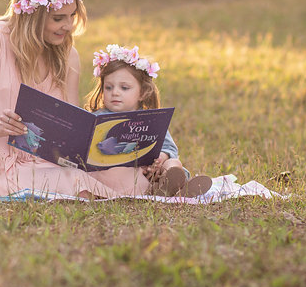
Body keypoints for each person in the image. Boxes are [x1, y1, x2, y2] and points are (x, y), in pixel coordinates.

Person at [0, 0, 150, 198]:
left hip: (53, 165)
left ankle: (164, 177)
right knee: (78, 182)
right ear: (33, 16)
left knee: (131, 179)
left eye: (72, 16)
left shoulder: (67, 55)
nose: (68, 26)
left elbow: (70, 134)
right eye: (58, 18)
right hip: (1, 171)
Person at [86, 44, 213, 198]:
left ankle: (173, 184)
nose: (115, 93)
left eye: (124, 88)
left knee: (173, 164)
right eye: (108, 88)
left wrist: (161, 158)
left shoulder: (150, 119)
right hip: (124, 174)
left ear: (143, 93)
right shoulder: (98, 119)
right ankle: (168, 192)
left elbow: (170, 148)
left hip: (154, 172)